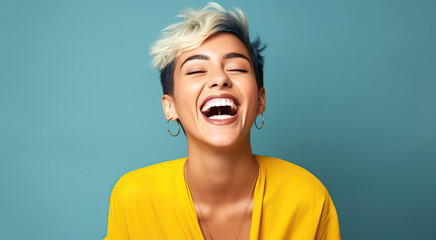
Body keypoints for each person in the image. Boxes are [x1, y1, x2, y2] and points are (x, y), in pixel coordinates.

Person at [103, 2, 341, 240]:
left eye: (236, 68)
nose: (220, 78)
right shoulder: (133, 199)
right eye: (196, 70)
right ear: (170, 106)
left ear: (260, 100)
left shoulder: (307, 198)